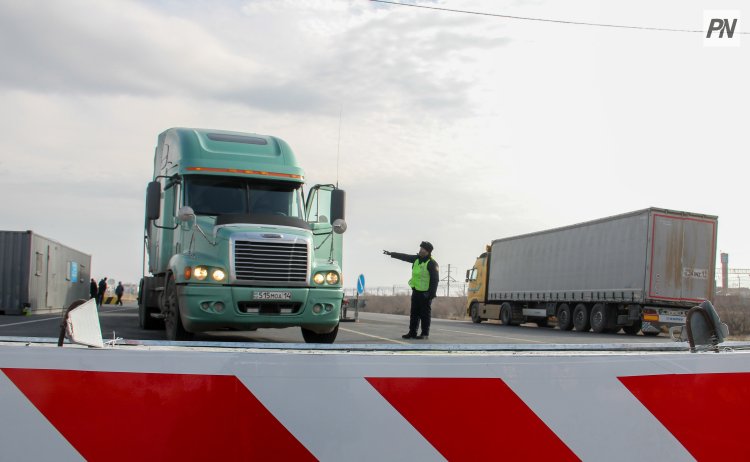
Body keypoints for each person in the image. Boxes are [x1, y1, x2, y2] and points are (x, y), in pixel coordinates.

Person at [383, 241, 439, 340]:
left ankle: (425, 334)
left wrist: (431, 294)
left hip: (425, 294)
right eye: (420, 248)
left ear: (428, 251)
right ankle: (412, 332)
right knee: (414, 313)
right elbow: (404, 256)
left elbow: (435, 280)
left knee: (425, 315)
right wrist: (391, 254)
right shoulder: (416, 259)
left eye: (423, 249)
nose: (420, 250)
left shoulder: (432, 263)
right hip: (416, 291)